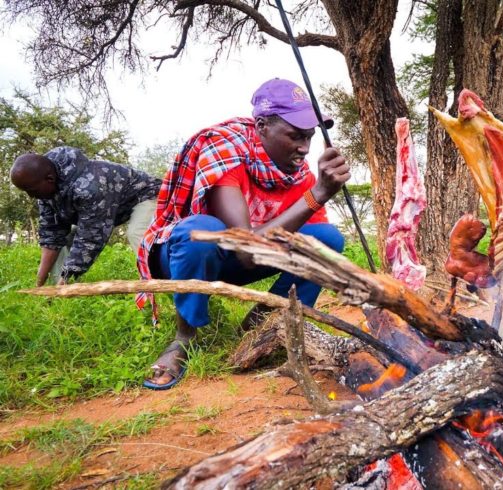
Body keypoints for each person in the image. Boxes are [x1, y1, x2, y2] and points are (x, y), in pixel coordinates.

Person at [137, 78, 350, 390]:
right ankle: (184, 338)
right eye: (295, 135)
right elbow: (244, 250)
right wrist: (317, 193)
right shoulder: (225, 149)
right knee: (202, 231)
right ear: (262, 126)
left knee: (327, 240)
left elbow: (300, 238)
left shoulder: (297, 172)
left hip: (235, 262)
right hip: (187, 259)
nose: (304, 148)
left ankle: (265, 321)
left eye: (309, 137)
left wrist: (313, 193)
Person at [10, 147, 160, 286]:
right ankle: (56, 292)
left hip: (146, 195)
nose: (30, 196)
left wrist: (67, 275)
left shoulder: (89, 186)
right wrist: (39, 282)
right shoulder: (44, 191)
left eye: (31, 190)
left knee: (137, 232)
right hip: (112, 206)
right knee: (64, 241)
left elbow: (90, 237)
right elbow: (51, 236)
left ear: (49, 178)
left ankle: (160, 284)